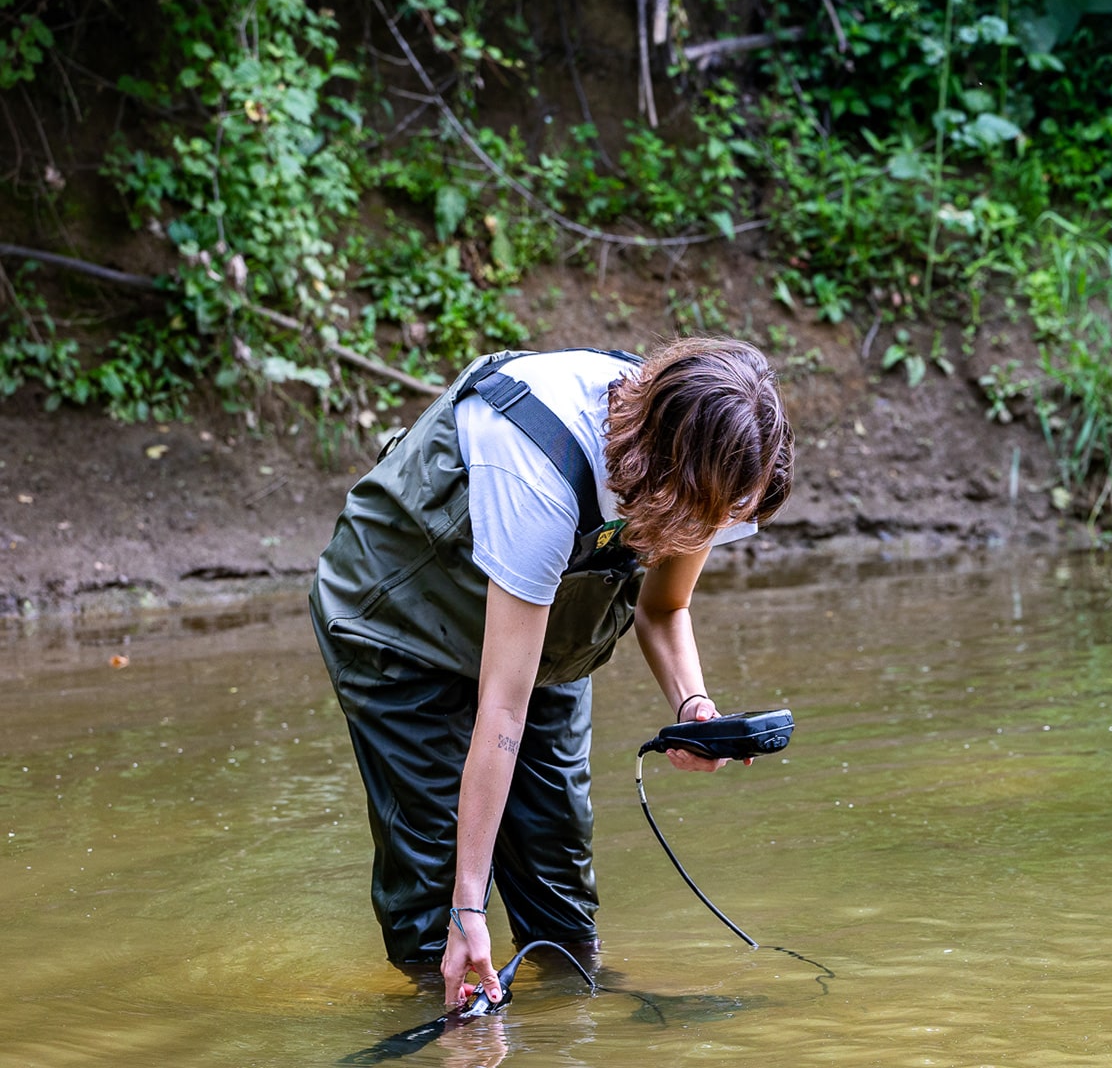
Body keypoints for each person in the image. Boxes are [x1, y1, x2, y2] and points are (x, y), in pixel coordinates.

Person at [310, 338, 792, 1006]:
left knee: (559, 874)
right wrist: (468, 910)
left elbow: (664, 605)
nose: (713, 529)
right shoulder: (538, 468)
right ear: (663, 470)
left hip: (543, 639)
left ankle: (571, 1009)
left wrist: (694, 708)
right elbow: (501, 711)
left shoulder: (718, 463)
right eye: (705, 512)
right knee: (435, 880)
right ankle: (442, 1010)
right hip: (400, 627)